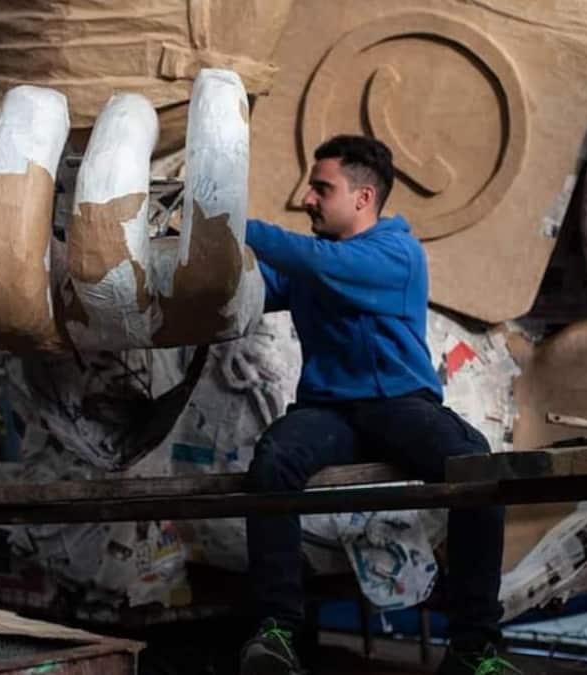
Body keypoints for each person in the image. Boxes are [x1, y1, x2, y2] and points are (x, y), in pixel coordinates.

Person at [237, 135, 516, 675]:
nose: (307, 199)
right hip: (328, 412)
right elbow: (247, 293)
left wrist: (228, 223)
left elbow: (312, 261)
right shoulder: (315, 265)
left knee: (477, 468)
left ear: (364, 198)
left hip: (399, 406)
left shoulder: (395, 253)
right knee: (273, 461)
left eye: (322, 188)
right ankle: (277, 632)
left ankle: (472, 648)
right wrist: (188, 251)